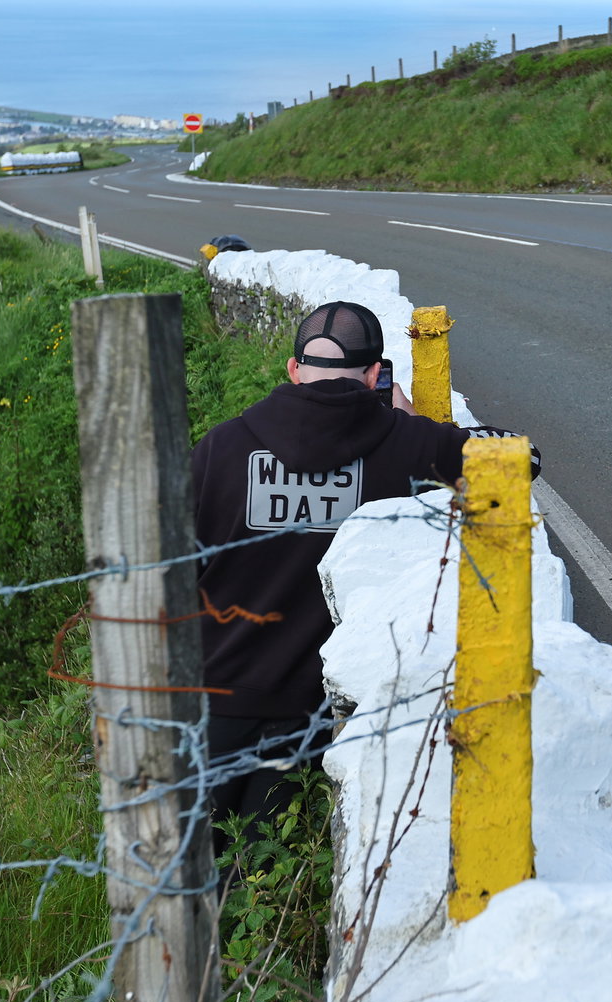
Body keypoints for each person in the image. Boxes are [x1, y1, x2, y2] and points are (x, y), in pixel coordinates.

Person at [191, 300, 534, 837]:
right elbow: (521, 461)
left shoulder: (221, 447)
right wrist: (418, 424)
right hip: (311, 712)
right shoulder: (410, 445)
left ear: (294, 370)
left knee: (196, 871)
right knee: (265, 869)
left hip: (212, 698)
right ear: (375, 374)